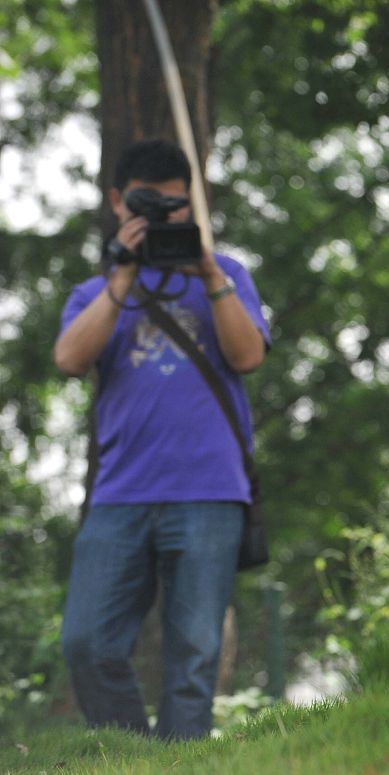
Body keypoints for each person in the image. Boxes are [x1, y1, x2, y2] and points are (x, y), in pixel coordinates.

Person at [55, 139, 270, 738]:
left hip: (210, 491)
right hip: (119, 495)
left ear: (192, 203)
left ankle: (182, 772)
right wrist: (122, 275)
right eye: (149, 206)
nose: (163, 218)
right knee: (87, 641)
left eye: (174, 206)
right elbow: (70, 359)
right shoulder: (94, 292)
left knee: (195, 656)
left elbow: (248, 354)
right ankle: (139, 760)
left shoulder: (227, 274)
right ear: (118, 201)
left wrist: (206, 270)